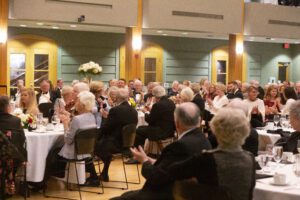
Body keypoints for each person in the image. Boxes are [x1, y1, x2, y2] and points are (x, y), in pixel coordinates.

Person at [111, 102, 212, 200]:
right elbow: (173, 168)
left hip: (168, 193)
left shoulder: (179, 146)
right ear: (199, 121)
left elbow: (155, 177)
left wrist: (144, 161)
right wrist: (150, 159)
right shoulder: (204, 140)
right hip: (188, 192)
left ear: (176, 123)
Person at [160, 108, 255, 200]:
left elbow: (172, 170)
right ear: (245, 131)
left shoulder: (207, 159)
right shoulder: (250, 159)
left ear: (216, 131)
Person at [95, 88, 138, 181]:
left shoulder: (115, 110)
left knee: (92, 145)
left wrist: (96, 135)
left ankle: (93, 175)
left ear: (117, 98)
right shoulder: (134, 111)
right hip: (127, 143)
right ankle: (104, 173)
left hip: (115, 143)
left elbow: (107, 128)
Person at [57, 91, 99, 185]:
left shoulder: (77, 119)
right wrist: (69, 116)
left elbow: (67, 140)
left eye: (77, 101)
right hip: (86, 151)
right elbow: (79, 124)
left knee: (52, 152)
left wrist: (65, 124)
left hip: (74, 153)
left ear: (82, 105)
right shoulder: (91, 116)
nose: (75, 103)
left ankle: (47, 180)